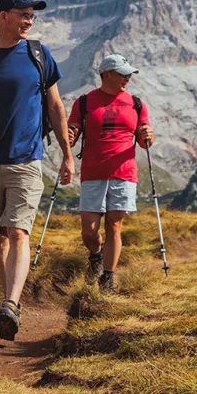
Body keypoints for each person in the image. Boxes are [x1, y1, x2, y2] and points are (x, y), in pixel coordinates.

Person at [0, 0, 74, 341]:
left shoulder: (39, 55)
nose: (29, 19)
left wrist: (67, 155)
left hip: (27, 161)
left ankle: (11, 303)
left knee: (18, 231)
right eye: (23, 13)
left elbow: (56, 108)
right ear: (3, 17)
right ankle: (7, 301)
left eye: (32, 14)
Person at [67, 54, 154, 292]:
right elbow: (71, 134)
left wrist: (148, 138)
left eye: (129, 75)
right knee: (89, 231)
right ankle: (95, 255)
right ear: (107, 75)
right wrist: (70, 135)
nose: (127, 78)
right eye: (122, 74)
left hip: (124, 173)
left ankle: (108, 276)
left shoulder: (136, 104)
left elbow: (144, 142)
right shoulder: (84, 102)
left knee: (114, 225)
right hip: (93, 173)